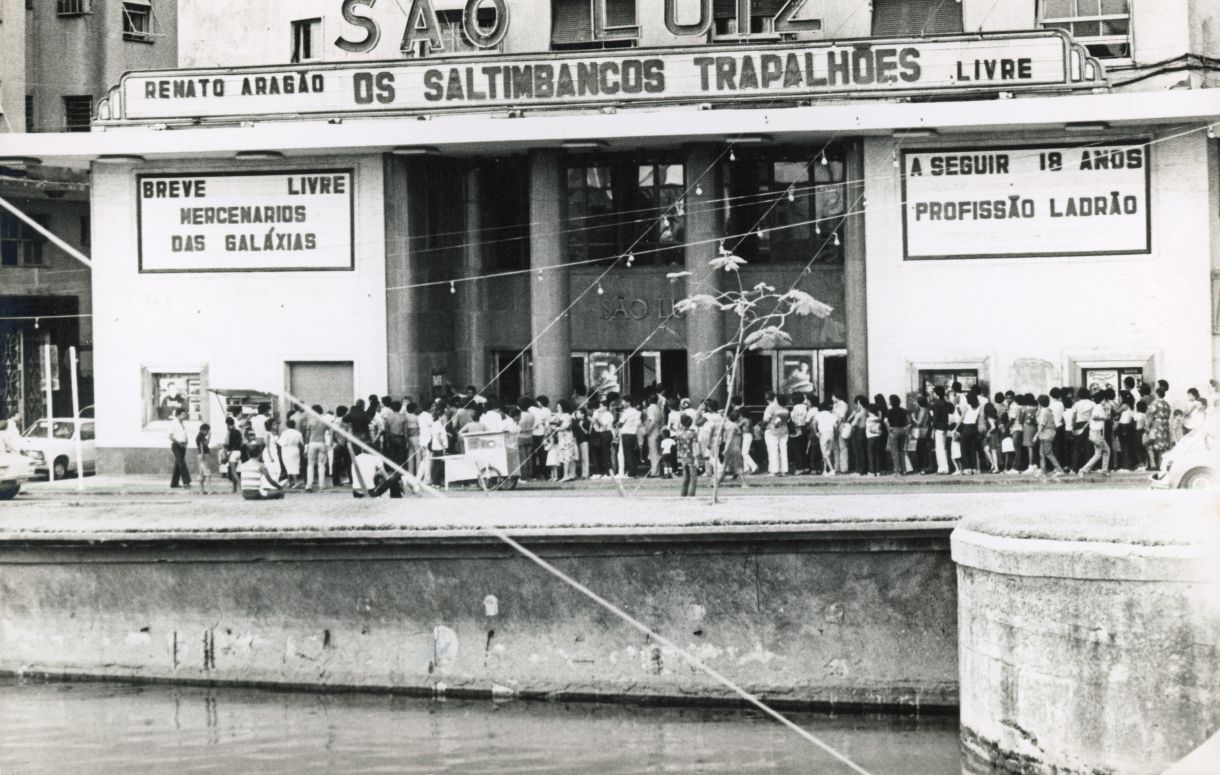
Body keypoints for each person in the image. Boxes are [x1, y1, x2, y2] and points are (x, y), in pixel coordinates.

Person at [1079, 391, 1111, 477]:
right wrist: (1104, 417)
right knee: (1106, 451)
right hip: (1096, 433)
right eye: (1105, 400)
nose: (1106, 401)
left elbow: (1107, 418)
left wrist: (1107, 411)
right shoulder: (1098, 407)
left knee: (1098, 453)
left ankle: (1085, 470)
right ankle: (1102, 470)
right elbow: (1094, 417)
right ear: (1101, 400)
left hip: (1095, 433)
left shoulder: (1099, 407)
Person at [1035, 395, 1065, 477]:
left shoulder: (1044, 412)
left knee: (1048, 453)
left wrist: (1035, 436)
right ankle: (1043, 470)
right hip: (1047, 433)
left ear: (1039, 403)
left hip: (1046, 434)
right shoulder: (1048, 410)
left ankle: (1059, 470)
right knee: (1042, 453)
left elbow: (1041, 425)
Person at [762, 391, 790, 476]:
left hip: (772, 431)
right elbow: (788, 420)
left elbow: (766, 420)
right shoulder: (786, 410)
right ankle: (784, 469)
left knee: (773, 450)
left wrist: (762, 427)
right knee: (783, 450)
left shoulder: (771, 408)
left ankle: (774, 470)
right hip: (784, 431)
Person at [718, 407, 748, 487]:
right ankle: (743, 483)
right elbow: (729, 438)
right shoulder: (733, 426)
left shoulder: (729, 425)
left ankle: (717, 481)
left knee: (727, 465)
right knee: (737, 465)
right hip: (734, 447)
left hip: (733, 447)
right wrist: (725, 449)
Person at [303, 405, 329, 492]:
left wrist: (306, 446)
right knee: (321, 464)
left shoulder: (311, 422)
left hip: (312, 443)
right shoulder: (325, 421)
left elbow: (307, 436)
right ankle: (322, 485)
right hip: (322, 443)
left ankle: (309, 485)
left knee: (310, 465)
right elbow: (331, 430)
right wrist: (331, 442)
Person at [1145, 387, 1172, 470]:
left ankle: (1153, 463)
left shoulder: (1154, 403)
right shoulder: (1167, 404)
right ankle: (1160, 464)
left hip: (1156, 425)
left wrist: (1147, 426)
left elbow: (1150, 415)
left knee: (1150, 444)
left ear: (1157, 394)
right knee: (1161, 446)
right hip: (1165, 425)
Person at [675, 413, 701, 497]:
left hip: (683, 456)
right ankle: (691, 494)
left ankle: (683, 493)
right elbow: (696, 446)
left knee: (686, 477)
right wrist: (698, 456)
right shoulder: (693, 434)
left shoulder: (679, 434)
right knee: (693, 477)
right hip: (691, 456)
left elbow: (678, 447)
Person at [885, 394, 909, 476]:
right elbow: (908, 422)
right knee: (901, 451)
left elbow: (886, 421)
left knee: (894, 451)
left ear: (891, 402)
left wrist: (889, 428)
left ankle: (897, 470)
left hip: (894, 430)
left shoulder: (889, 411)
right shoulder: (904, 410)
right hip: (903, 430)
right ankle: (904, 470)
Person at [168, 408, 191, 489]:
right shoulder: (173, 423)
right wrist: (179, 443)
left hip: (183, 445)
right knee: (181, 463)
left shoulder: (183, 424)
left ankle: (174, 484)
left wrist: (186, 441)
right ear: (178, 415)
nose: (185, 416)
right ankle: (186, 482)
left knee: (178, 464)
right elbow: (170, 436)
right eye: (183, 414)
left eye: (185, 414)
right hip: (176, 445)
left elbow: (184, 434)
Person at [277, 419, 304, 489]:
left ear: (287, 425)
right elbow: (301, 444)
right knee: (294, 466)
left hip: (286, 450)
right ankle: (289, 482)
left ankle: (295, 482)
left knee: (288, 466)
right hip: (295, 449)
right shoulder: (298, 433)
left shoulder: (285, 433)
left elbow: (280, 443)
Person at [815, 401, 838, 476]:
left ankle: (832, 469)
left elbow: (813, 424)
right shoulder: (832, 415)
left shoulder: (818, 415)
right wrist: (836, 433)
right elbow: (836, 426)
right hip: (831, 433)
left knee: (824, 453)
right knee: (828, 453)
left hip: (823, 433)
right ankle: (825, 470)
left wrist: (816, 432)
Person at [331, 406, 351, 487]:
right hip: (345, 443)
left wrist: (333, 442)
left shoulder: (335, 421)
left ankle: (336, 481)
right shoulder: (346, 421)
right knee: (348, 463)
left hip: (337, 444)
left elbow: (332, 433)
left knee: (336, 464)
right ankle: (351, 479)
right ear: (344, 413)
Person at [195, 423, 218, 494]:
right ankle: (210, 489)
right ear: (204, 430)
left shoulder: (200, 436)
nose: (208, 433)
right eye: (207, 431)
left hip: (201, 454)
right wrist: (209, 437)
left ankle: (201, 490)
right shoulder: (201, 436)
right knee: (207, 472)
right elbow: (203, 444)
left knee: (201, 473)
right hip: (203, 454)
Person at [223, 416, 243, 492]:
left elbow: (227, 444)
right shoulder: (238, 432)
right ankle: (234, 489)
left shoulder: (229, 432)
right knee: (234, 470)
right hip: (239, 452)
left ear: (227, 424)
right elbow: (241, 443)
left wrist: (227, 454)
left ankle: (241, 487)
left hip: (232, 453)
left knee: (233, 472)